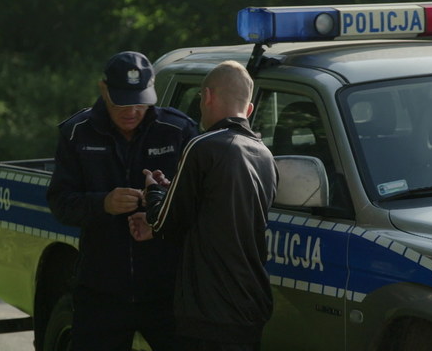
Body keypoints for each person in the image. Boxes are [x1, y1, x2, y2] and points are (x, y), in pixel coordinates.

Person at [46, 51, 198, 351]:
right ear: (103, 89)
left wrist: (159, 214)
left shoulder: (178, 130)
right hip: (101, 292)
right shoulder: (77, 133)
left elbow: (200, 203)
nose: (132, 111)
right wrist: (104, 204)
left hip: (166, 292)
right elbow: (60, 202)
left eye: (139, 101)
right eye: (122, 101)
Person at [130, 60, 277, 351]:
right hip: (251, 304)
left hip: (208, 310)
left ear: (207, 96)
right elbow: (221, 212)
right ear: (248, 110)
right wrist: (178, 191)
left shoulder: (202, 145)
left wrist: (154, 193)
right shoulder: (265, 155)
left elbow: (162, 222)